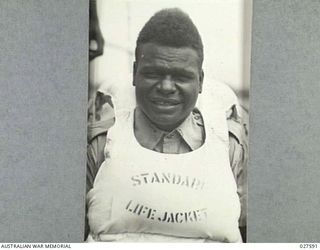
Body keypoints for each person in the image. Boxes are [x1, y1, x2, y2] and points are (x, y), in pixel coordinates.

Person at [86, 8, 248, 242]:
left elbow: (248, 230)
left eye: (181, 77)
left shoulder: (230, 147)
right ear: (134, 74)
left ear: (200, 81)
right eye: (153, 73)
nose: (166, 87)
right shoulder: (102, 140)